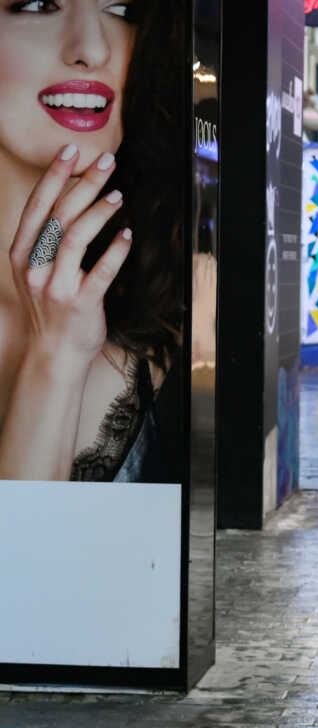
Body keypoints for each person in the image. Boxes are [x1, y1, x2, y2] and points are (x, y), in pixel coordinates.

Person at [0, 1, 186, 484]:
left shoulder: (189, 307)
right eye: (38, 4)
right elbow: (21, 559)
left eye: (121, 8)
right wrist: (54, 353)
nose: (92, 49)